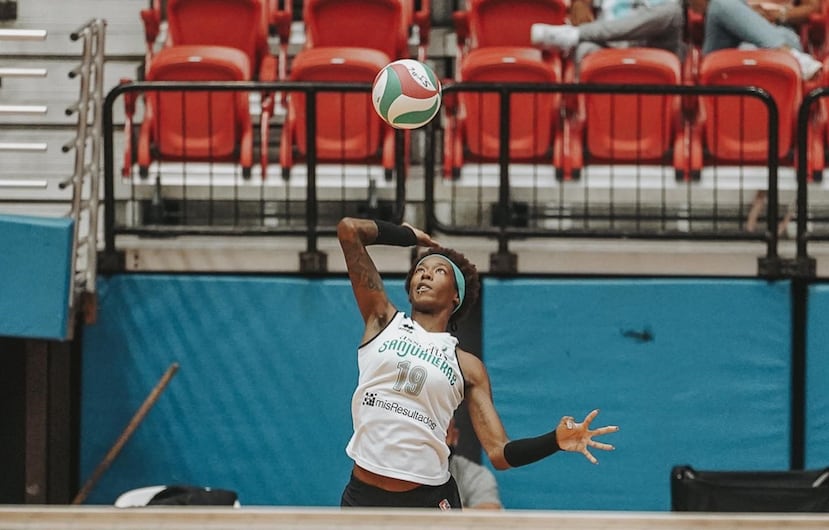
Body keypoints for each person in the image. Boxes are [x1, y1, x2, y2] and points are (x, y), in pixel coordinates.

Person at [337, 216, 619, 509]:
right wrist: (407, 235)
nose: (426, 275)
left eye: (439, 270)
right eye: (420, 270)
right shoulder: (382, 321)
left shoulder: (467, 366)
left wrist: (554, 440)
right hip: (364, 495)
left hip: (427, 500)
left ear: (456, 295)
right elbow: (349, 230)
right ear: (410, 288)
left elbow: (499, 452)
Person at [530, 0, 686, 73]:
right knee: (584, 49)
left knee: (672, 11)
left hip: (655, 51)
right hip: (608, 46)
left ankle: (574, 34)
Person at [686, 0, 822, 79]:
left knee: (750, 50)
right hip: (727, 33)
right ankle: (793, 56)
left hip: (778, 28)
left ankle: (786, 52)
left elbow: (813, 8)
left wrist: (779, 14)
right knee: (721, 3)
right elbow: (697, 8)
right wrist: (745, 14)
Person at [446, 416, 503, 509]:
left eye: (442, 434)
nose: (434, 443)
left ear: (455, 436)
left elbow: (489, 513)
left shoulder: (475, 474)